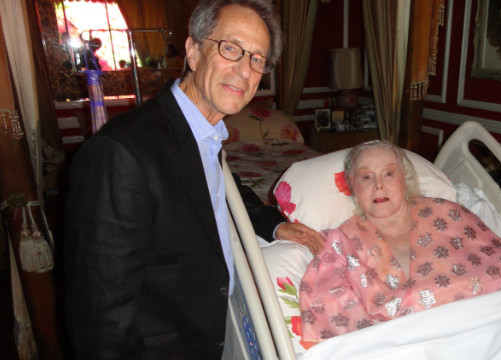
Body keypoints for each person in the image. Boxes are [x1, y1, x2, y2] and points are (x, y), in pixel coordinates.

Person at [64, 0, 322, 358]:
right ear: (194, 51)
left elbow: (217, 187)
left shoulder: (204, 131)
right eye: (231, 48)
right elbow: (100, 317)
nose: (244, 71)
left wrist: (274, 225)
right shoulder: (121, 152)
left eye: (257, 59)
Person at [299, 140, 501, 343]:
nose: (378, 185)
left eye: (389, 173)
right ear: (352, 187)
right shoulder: (341, 242)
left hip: (496, 331)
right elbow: (330, 313)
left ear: (405, 179)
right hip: (407, 347)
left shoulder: (449, 213)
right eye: (365, 177)